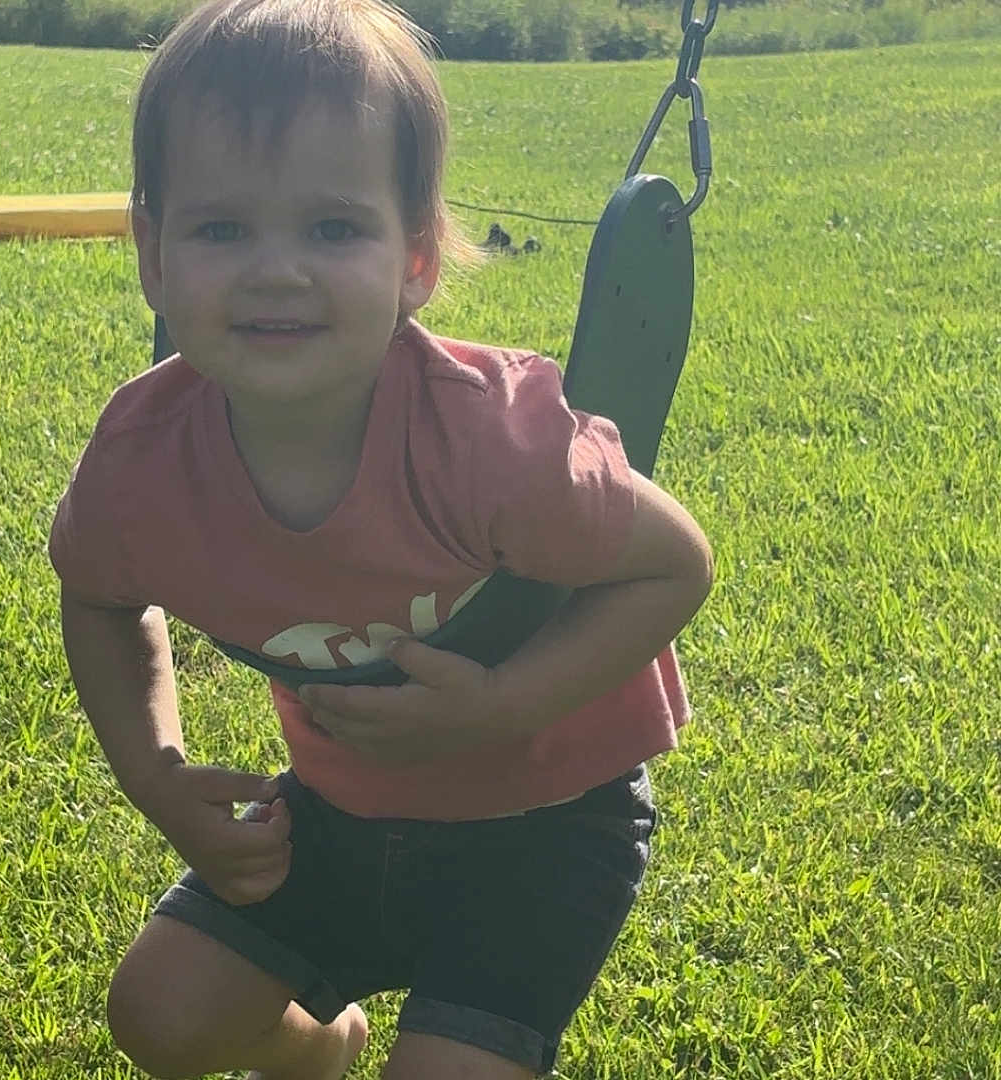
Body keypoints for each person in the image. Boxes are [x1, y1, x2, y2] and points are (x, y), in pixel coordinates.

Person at [49, 1, 714, 1077]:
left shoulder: (493, 443)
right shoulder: (143, 456)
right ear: (152, 254)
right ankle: (318, 1052)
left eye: (331, 228)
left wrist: (503, 706)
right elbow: (97, 593)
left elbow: (674, 563)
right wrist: (154, 773)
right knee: (159, 1017)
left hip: (547, 821)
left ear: (415, 257)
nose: (277, 270)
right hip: (344, 808)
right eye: (221, 228)